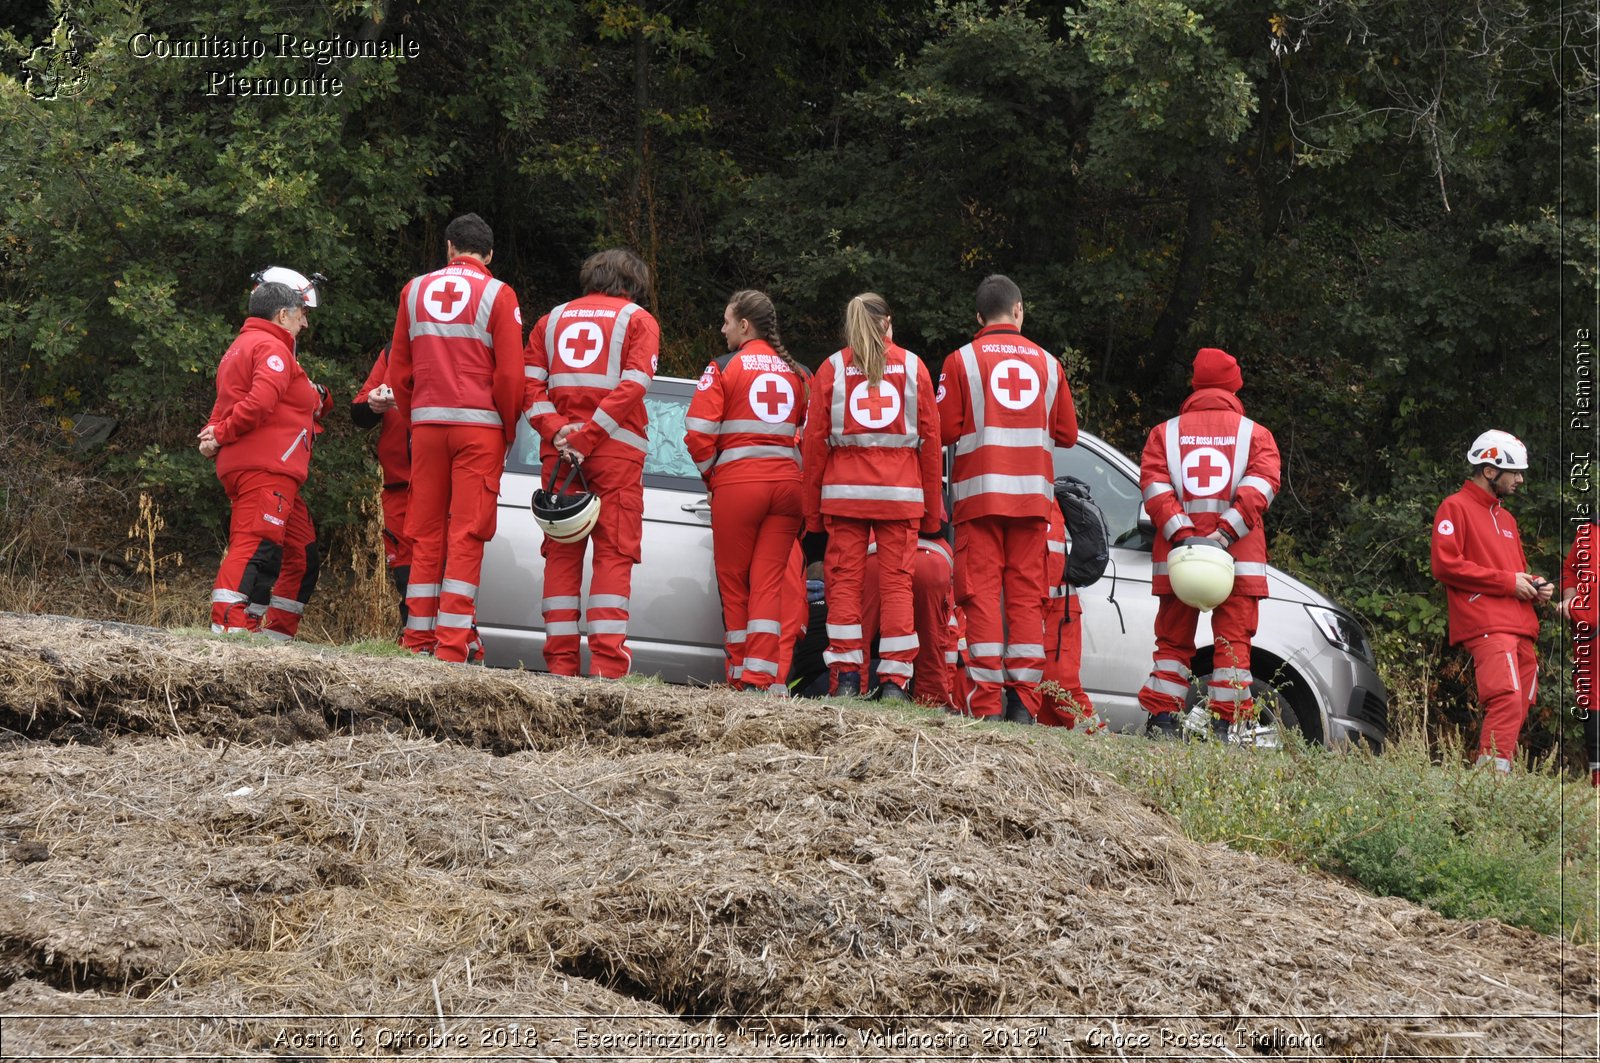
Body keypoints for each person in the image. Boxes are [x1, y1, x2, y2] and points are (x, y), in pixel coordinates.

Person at [937, 274, 1078, 720]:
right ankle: (1023, 705)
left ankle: (987, 707)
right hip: (1033, 506)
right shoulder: (1049, 364)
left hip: (979, 504)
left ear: (979, 316)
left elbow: (940, 430)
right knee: (1026, 600)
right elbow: (1068, 434)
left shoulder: (961, 361)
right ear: (1019, 311)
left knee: (979, 599)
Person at [388, 213, 526, 663]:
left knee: (424, 531)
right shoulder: (499, 294)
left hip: (427, 427)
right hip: (480, 429)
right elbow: (510, 375)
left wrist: (415, 422)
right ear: (489, 255)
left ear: (448, 247)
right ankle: (451, 645)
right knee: (467, 532)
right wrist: (506, 429)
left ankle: (417, 638)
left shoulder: (413, 290)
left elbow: (398, 371)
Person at [524, 249, 658, 678]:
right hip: (615, 454)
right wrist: (590, 436)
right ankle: (606, 669)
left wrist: (558, 430)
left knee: (561, 554)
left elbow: (529, 386)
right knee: (614, 555)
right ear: (634, 283)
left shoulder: (552, 319)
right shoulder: (638, 320)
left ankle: (560, 665)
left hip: (561, 455)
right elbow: (634, 386)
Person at [801, 292, 941, 700]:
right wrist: (932, 514)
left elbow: (814, 447)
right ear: (888, 323)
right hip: (900, 497)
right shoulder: (914, 367)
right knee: (897, 585)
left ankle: (845, 679)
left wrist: (812, 515)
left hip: (845, 498)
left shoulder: (831, 369)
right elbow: (930, 446)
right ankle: (894, 683)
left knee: (843, 584)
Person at [1138, 347, 1281, 739]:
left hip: (1179, 557)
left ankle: (1163, 722)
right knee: (1233, 649)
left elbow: (1154, 488)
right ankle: (1225, 728)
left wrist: (1183, 535)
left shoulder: (1163, 434)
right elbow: (1261, 488)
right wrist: (1223, 535)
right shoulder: (1256, 434)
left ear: (1194, 386)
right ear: (1235, 388)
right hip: (1235, 560)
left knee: (1171, 642)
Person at [684, 290, 809, 693]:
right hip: (788, 489)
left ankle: (739, 676)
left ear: (744, 325)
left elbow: (698, 433)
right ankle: (760, 677)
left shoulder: (724, 367)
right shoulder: (798, 373)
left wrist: (712, 478)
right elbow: (809, 438)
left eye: (726, 321)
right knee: (769, 583)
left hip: (740, 487)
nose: (721, 329)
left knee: (735, 582)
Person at [199, 269, 332, 640]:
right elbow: (259, 401)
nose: (304, 323)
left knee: (290, 549)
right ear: (282, 315)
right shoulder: (272, 348)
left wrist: (214, 435)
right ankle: (229, 623)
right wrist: (221, 434)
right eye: (301, 314)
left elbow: (227, 401)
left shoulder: (241, 347)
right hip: (267, 465)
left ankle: (262, 630)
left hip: (265, 465)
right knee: (254, 541)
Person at [1429, 429, 1555, 770]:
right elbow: (1445, 565)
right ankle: (1489, 786)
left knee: (1522, 701)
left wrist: (1535, 586)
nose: (1519, 481)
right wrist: (1508, 582)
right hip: (1487, 622)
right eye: (1514, 472)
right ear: (1489, 470)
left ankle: (1497, 776)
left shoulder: (1507, 519)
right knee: (1506, 697)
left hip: (1520, 624)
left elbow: (1514, 574)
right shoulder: (1454, 507)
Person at [859, 527, 958, 707]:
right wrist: (947, 690)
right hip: (934, 559)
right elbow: (948, 634)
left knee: (859, 632)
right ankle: (931, 701)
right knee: (933, 636)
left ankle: (850, 690)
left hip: (875, 554)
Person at [351, 343, 412, 630]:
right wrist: (374, 403)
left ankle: (448, 644)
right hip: (398, 483)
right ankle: (414, 641)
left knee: (444, 570)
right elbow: (359, 410)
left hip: (443, 483)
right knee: (406, 576)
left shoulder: (461, 346)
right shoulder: (393, 351)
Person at [1037, 505, 1102, 730]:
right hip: (1056, 606)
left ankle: (1099, 744)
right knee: (1045, 693)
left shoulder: (1048, 504)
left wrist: (1035, 612)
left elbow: (1052, 562)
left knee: (1059, 685)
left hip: (1056, 608)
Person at [1558, 520, 1599, 785]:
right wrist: (1571, 600)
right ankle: (1597, 778)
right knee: (1593, 700)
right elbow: (1570, 571)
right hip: (1591, 632)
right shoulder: (1588, 531)